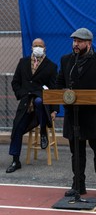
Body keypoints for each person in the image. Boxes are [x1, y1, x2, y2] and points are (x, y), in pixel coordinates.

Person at [56, 28, 96, 200]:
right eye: (74, 41)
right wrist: (62, 92)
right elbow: (59, 83)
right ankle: (78, 185)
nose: (75, 44)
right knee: (76, 153)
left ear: (88, 43)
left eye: (79, 41)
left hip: (93, 115)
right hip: (73, 116)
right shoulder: (66, 60)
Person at [6, 38, 59, 173]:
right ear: (31, 47)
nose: (37, 48)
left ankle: (43, 133)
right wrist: (23, 94)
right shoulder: (23, 63)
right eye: (35, 45)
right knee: (17, 128)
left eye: (40, 46)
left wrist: (54, 110)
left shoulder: (51, 66)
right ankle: (15, 160)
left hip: (42, 107)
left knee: (38, 101)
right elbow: (15, 83)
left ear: (45, 48)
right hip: (26, 105)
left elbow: (54, 89)